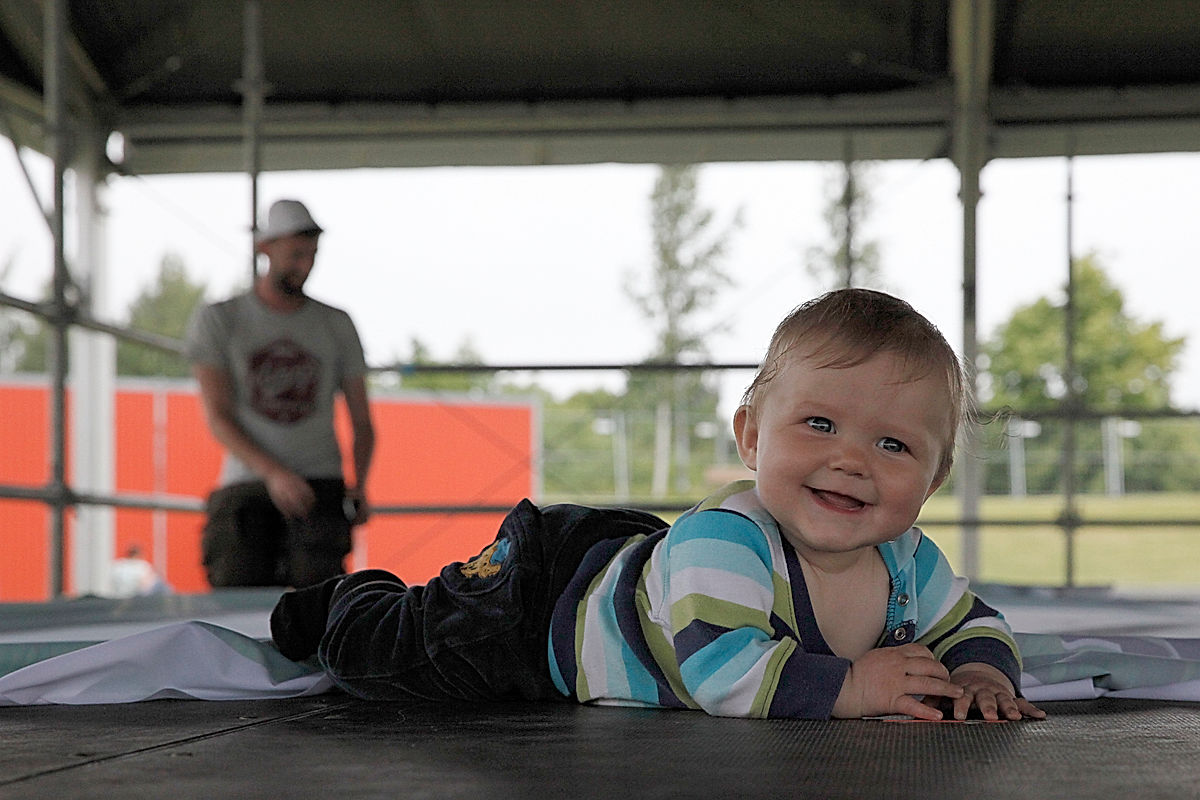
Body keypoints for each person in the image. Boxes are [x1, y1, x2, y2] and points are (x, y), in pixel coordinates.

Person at [270, 288, 1044, 721]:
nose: (850, 460)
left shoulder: (908, 563)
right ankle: (349, 602)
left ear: (934, 479)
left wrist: (982, 675)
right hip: (541, 607)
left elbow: (975, 622)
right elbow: (719, 670)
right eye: (818, 424)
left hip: (640, 569)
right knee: (401, 654)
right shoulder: (730, 540)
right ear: (750, 438)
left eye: (894, 446)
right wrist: (855, 686)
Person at [186, 199, 375, 589]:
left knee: (320, 603)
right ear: (265, 248)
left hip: (320, 484)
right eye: (295, 255)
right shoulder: (220, 320)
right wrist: (275, 475)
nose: (304, 266)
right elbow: (218, 416)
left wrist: (360, 485)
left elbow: (362, 421)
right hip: (247, 484)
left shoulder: (336, 324)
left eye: (311, 255)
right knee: (236, 592)